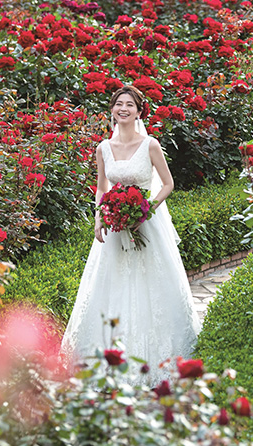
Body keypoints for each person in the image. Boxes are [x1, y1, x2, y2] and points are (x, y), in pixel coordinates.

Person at [61, 85, 201, 380]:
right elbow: (102, 187)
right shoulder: (103, 148)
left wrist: (146, 210)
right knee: (113, 287)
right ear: (112, 109)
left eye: (129, 105)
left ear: (139, 111)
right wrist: (99, 218)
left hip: (146, 225)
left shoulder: (150, 144)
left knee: (150, 286)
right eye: (118, 104)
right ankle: (108, 356)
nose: (123, 109)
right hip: (113, 228)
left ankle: (156, 356)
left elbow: (167, 184)